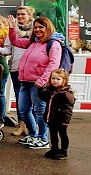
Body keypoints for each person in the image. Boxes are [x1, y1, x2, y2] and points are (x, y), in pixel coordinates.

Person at [9, 15, 61, 150]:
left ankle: (43, 139)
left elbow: (53, 64)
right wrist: (11, 28)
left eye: (41, 27)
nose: (37, 30)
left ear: (47, 28)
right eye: (35, 27)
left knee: (39, 111)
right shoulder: (34, 41)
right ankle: (33, 135)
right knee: (24, 110)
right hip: (25, 82)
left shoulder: (53, 43)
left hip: (38, 84)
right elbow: (15, 41)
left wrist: (42, 80)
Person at [1, 6, 35, 137]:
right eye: (18, 14)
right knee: (20, 97)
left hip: (31, 70)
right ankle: (21, 124)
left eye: (23, 14)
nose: (20, 17)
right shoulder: (12, 30)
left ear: (29, 16)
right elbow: (8, 49)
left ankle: (32, 126)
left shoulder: (36, 30)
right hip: (16, 68)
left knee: (33, 99)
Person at [38, 69, 75, 160]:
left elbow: (68, 109)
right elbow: (44, 98)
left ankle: (63, 151)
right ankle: (54, 149)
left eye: (58, 79)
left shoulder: (66, 93)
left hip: (61, 119)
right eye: (53, 78)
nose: (55, 81)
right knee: (53, 134)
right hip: (51, 117)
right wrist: (40, 90)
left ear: (64, 80)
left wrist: (66, 120)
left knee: (63, 134)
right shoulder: (51, 91)